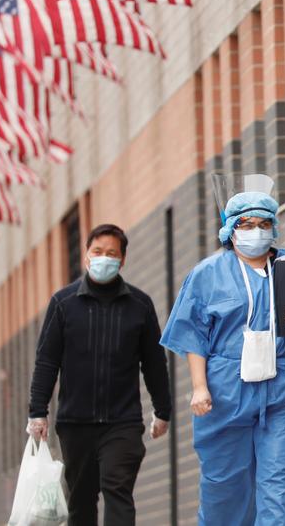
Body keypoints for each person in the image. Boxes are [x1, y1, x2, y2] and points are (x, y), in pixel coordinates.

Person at [160, 191, 285, 526]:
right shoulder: (207, 274)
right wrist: (199, 387)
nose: (256, 230)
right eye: (247, 224)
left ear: (274, 226)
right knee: (226, 485)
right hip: (226, 389)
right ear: (231, 230)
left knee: (280, 479)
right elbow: (193, 334)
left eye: (263, 223)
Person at [26, 224, 172, 526]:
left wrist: (163, 411)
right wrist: (37, 412)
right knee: (81, 501)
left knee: (118, 490)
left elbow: (154, 362)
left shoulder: (139, 305)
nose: (103, 258)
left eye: (111, 253)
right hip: (75, 424)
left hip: (123, 423)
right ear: (86, 256)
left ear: (122, 260)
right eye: (97, 252)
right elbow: (46, 361)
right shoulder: (63, 304)